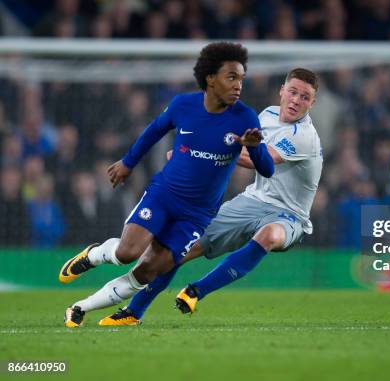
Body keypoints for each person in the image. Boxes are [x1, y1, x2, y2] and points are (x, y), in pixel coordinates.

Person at [60, 42, 275, 327]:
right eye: (232, 77)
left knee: (147, 272)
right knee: (127, 253)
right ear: (211, 78)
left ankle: (80, 307)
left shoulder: (245, 117)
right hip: (164, 195)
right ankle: (94, 254)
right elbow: (152, 132)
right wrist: (127, 163)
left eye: (242, 79)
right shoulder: (183, 105)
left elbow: (267, 170)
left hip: (196, 215)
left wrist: (255, 147)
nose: (238, 86)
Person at [98, 67, 322, 325]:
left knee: (269, 234)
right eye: (293, 92)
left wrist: (193, 152)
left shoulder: (305, 136)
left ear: (312, 103)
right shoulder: (267, 115)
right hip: (252, 201)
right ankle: (133, 312)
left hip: (290, 214)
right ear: (282, 91)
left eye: (305, 97)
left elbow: (261, 161)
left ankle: (196, 291)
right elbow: (234, 145)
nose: (296, 100)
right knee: (178, 248)